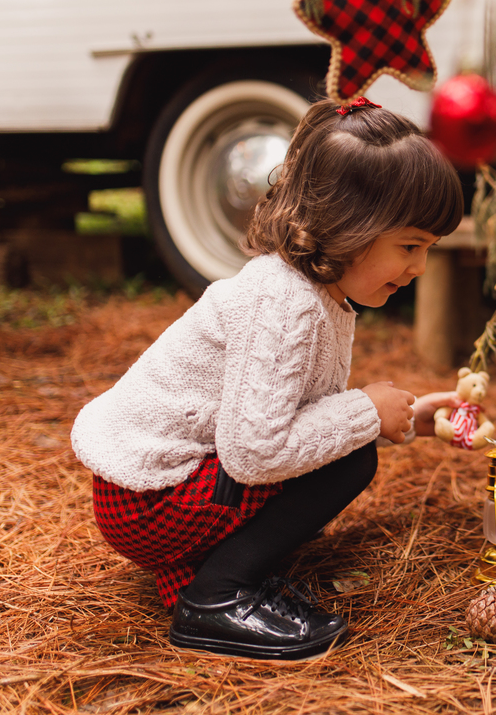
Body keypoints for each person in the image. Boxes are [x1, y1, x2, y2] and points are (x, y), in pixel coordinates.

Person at [71, 96, 464, 660]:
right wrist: (363, 416)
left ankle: (207, 569)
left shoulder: (316, 293)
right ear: (351, 227)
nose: (420, 268)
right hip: (145, 499)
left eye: (428, 249)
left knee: (347, 450)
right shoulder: (285, 305)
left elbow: (295, 413)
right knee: (348, 462)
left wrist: (398, 419)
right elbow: (255, 452)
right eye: (409, 247)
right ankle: (216, 596)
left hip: (160, 487)